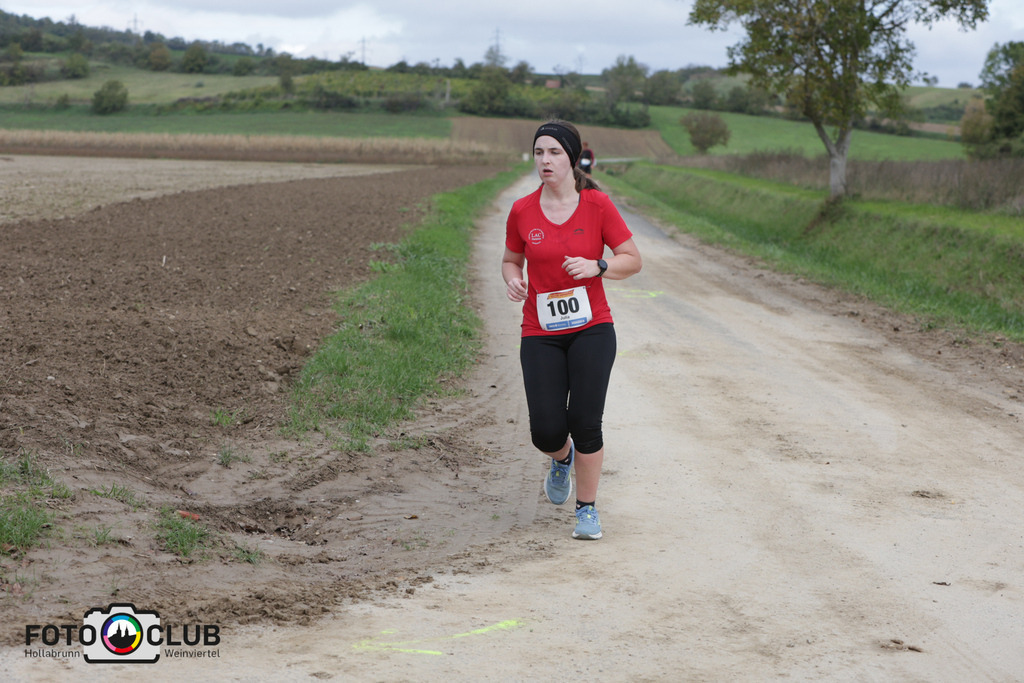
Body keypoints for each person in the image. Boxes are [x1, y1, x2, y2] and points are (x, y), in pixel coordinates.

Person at [501, 120, 642, 540]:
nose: (545, 160)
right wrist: (512, 278)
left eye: (554, 153)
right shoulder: (522, 210)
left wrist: (598, 265)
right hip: (540, 330)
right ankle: (560, 459)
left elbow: (631, 259)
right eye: (539, 153)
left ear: (572, 157)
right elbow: (511, 258)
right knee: (545, 429)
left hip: (592, 328)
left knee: (585, 422)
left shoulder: (597, 205)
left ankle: (586, 510)